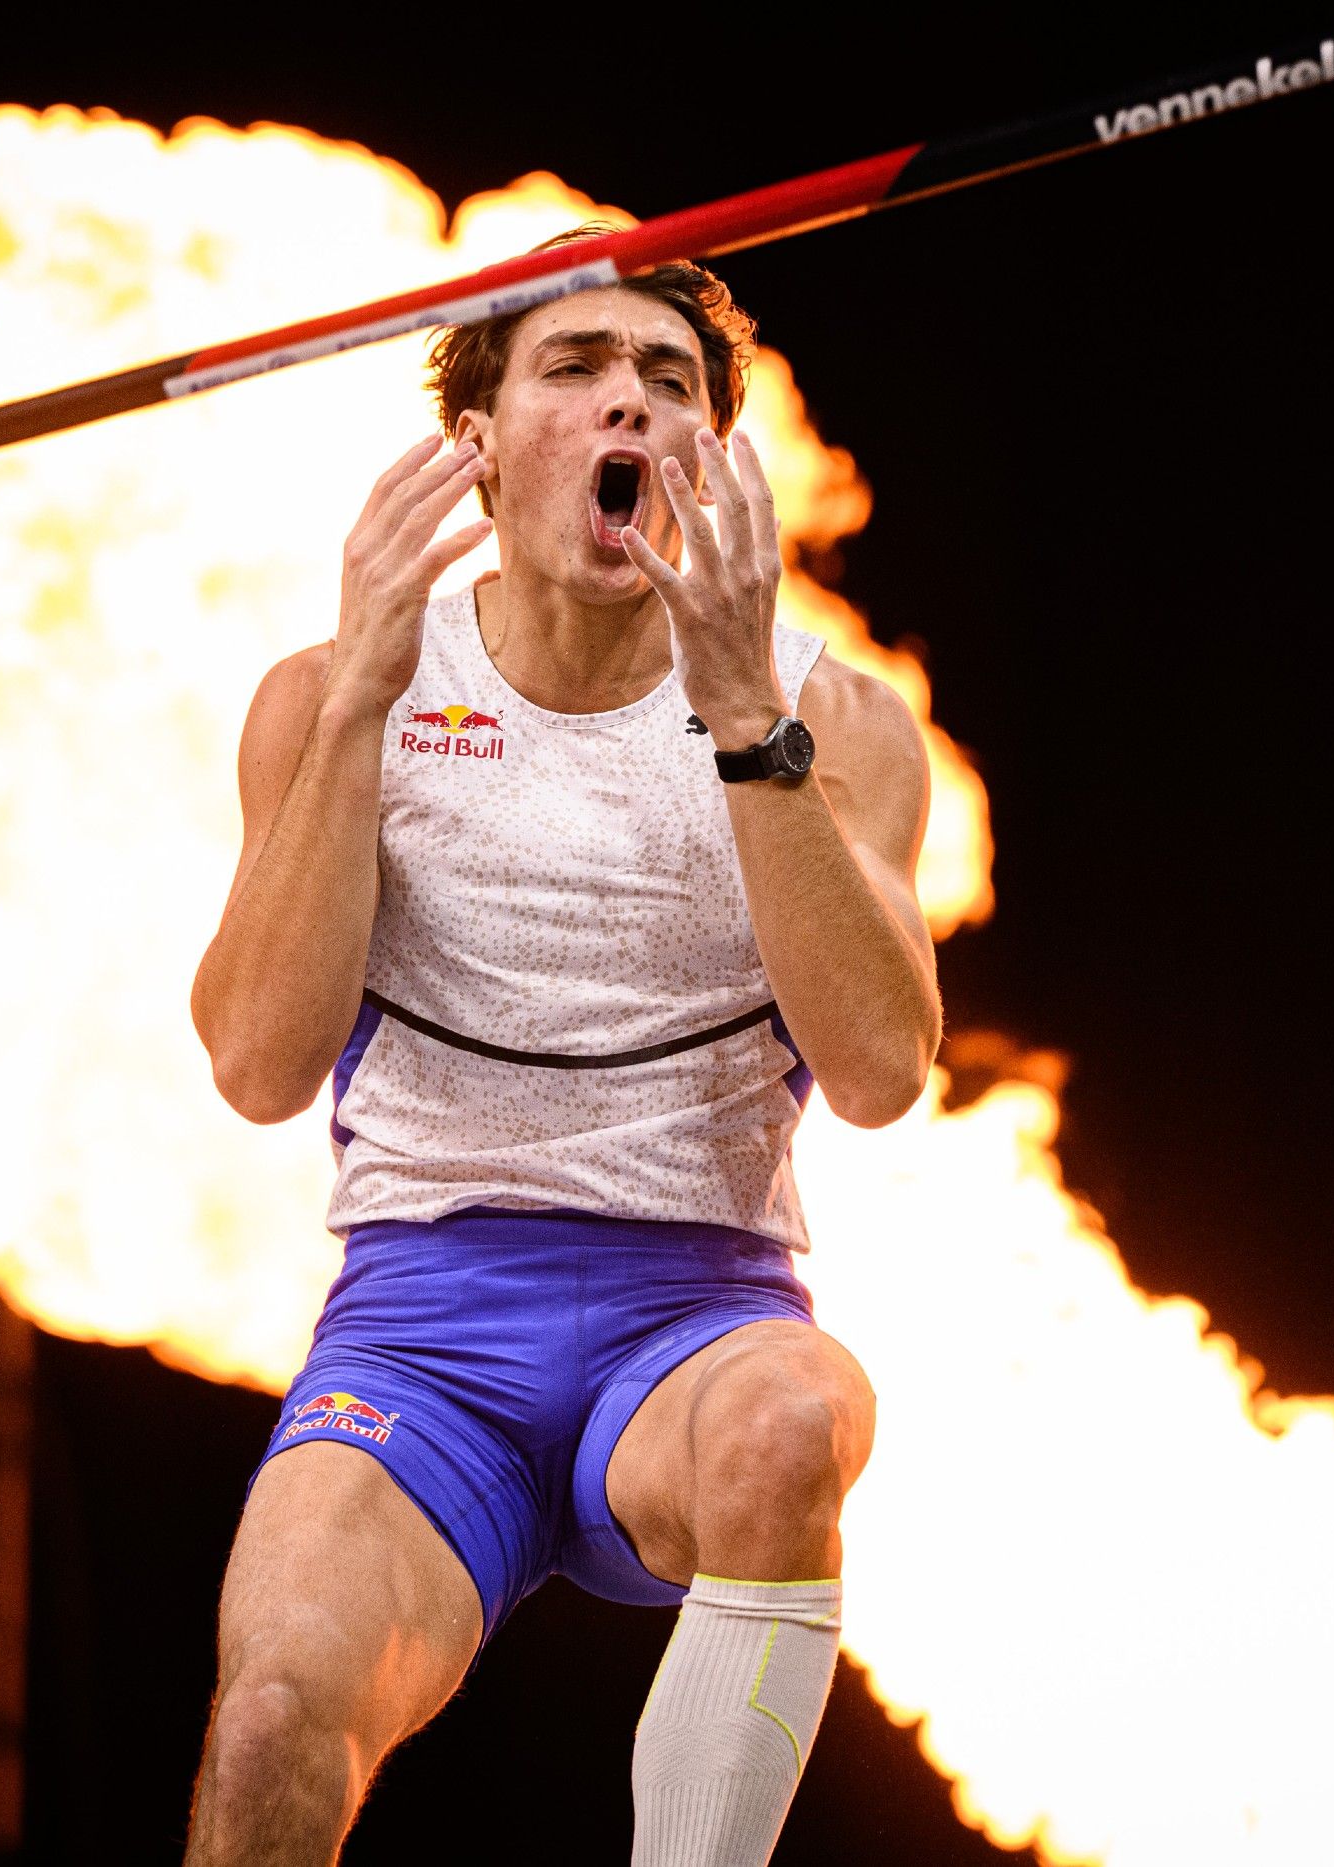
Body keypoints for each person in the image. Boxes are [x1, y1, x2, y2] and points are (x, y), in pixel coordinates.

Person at [182, 232, 940, 1866]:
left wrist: (745, 722)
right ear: (482, 442)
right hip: (421, 1344)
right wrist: (365, 694)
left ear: (711, 459)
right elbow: (253, 1065)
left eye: (670, 385)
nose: (631, 408)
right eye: (579, 369)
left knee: (790, 1426)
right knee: (263, 1738)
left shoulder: (841, 721)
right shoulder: (331, 694)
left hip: (698, 1317)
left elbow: (881, 1076)